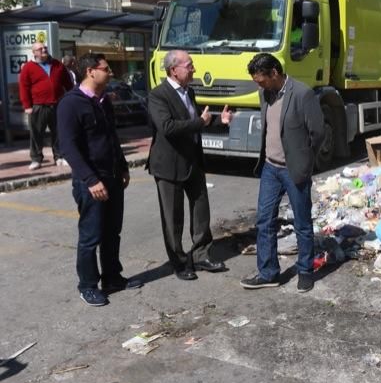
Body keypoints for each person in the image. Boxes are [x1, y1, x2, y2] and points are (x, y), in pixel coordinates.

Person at [57, 53, 140, 306]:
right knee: (90, 236)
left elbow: (112, 139)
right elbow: (68, 147)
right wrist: (91, 180)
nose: (111, 72)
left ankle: (113, 277)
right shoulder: (70, 104)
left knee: (112, 233)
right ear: (91, 71)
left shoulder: (103, 101)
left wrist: (123, 167)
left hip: (113, 176)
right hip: (90, 182)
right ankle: (88, 285)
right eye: (106, 68)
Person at [240, 53, 324, 293]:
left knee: (302, 222)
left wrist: (305, 161)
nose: (259, 85)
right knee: (264, 220)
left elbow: (317, 133)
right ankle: (269, 273)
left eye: (261, 80)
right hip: (270, 168)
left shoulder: (302, 93)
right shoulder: (264, 93)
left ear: (274, 73)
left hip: (293, 169)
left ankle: (305, 271)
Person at [146, 50, 231, 281]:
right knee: (173, 218)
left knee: (201, 209)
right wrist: (199, 122)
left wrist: (219, 123)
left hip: (193, 162)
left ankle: (202, 254)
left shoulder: (189, 91)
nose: (194, 68)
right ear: (174, 70)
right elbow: (168, 127)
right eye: (189, 65)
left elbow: (196, 123)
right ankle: (180, 262)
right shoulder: (158, 95)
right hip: (169, 165)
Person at [18, 42, 73, 170]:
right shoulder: (28, 67)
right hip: (38, 106)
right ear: (34, 52)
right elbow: (24, 88)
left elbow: (68, 83)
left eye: (45, 48)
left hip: (58, 104)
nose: (44, 50)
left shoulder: (57, 64)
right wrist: (27, 106)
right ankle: (36, 159)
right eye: (40, 48)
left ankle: (59, 156)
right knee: (36, 134)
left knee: (59, 132)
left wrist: (71, 99)